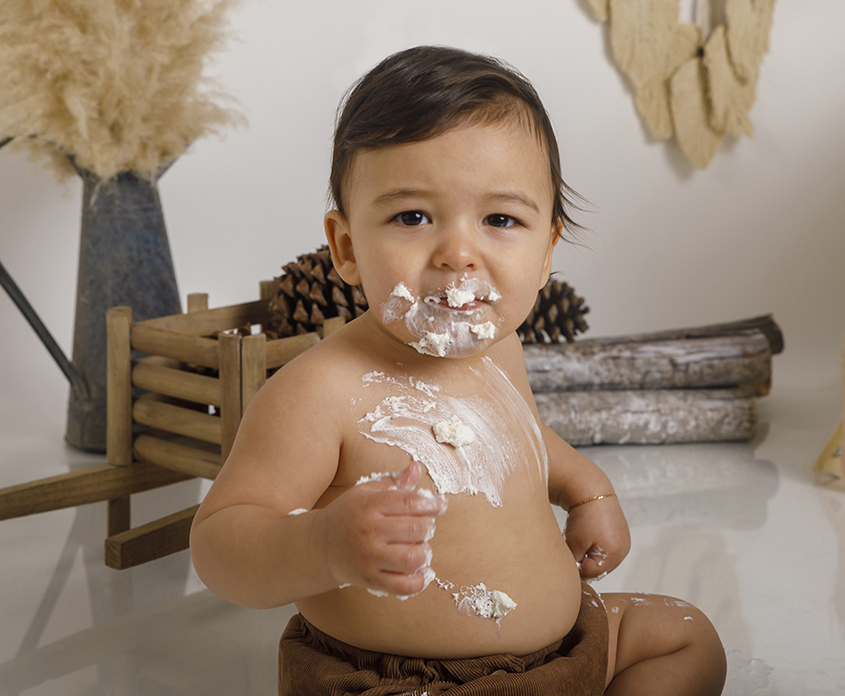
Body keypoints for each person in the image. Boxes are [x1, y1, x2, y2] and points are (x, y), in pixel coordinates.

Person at [190, 46, 727, 696]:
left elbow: (519, 440)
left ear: (547, 251)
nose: (458, 253)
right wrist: (323, 545)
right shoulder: (321, 392)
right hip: (408, 681)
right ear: (347, 247)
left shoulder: (500, 348)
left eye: (501, 219)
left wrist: (587, 489)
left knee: (683, 637)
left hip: (562, 654)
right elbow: (219, 543)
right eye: (412, 217)